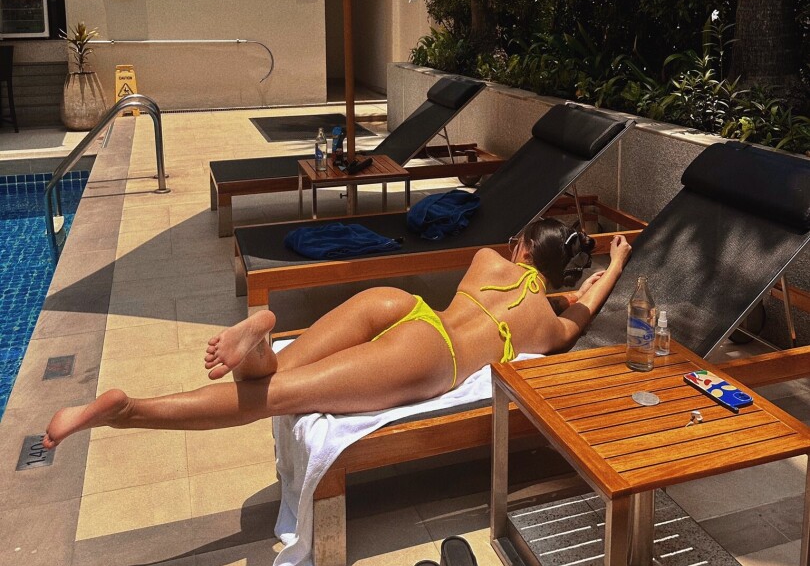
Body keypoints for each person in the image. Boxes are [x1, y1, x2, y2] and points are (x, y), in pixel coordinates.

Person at [43, 218, 632, 449]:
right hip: (435, 356)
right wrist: (615, 266)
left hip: (403, 307)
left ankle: (263, 340)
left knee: (277, 374)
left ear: (520, 250)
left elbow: (547, 281)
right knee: (275, 399)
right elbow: (584, 307)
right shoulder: (548, 326)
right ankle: (129, 412)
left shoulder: (487, 260)